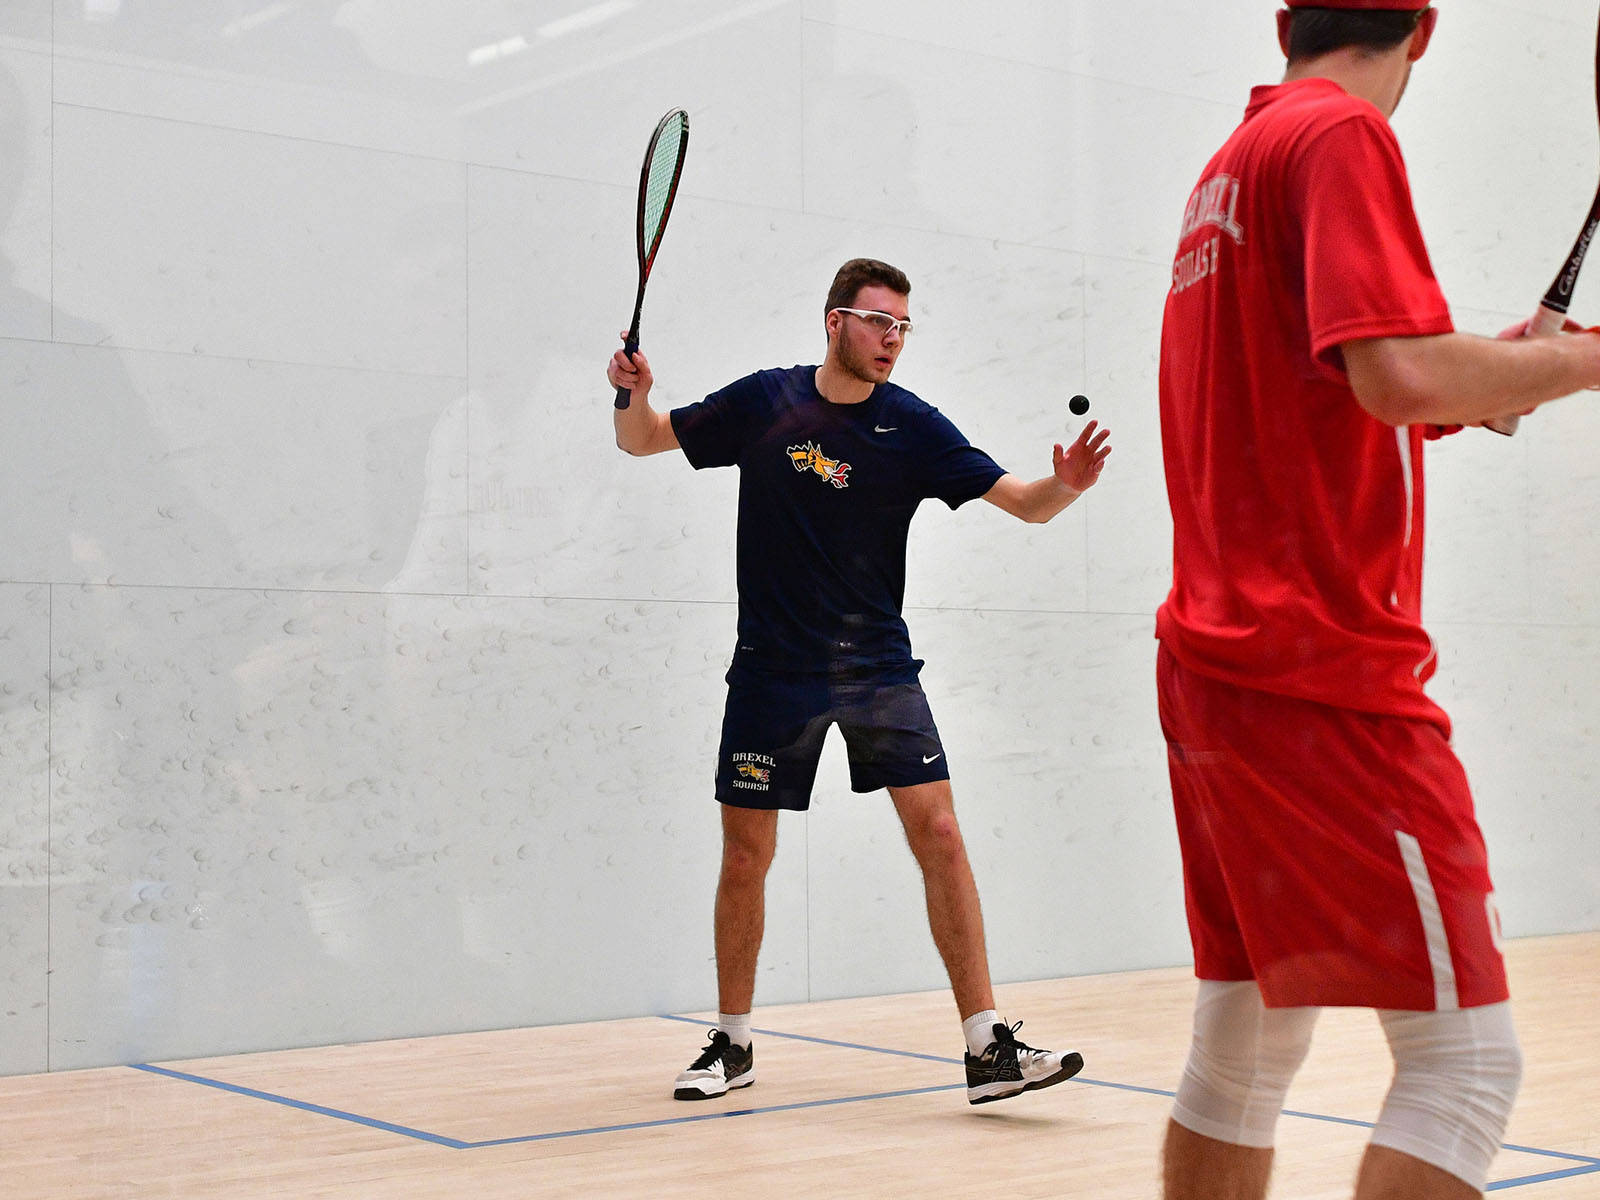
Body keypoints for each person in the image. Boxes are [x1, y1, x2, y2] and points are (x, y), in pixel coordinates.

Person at [1156, 3, 1600, 1198]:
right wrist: (1585, 356)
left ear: (1289, 21)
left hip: (1211, 666)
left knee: (1242, 1046)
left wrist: (1493, 375)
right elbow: (1395, 373)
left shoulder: (1230, 168)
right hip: (1321, 674)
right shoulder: (1342, 139)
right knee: (1463, 1067)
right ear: (1422, 29)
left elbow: (1338, 390)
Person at [607, 257, 1111, 1106]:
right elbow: (642, 439)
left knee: (941, 833)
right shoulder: (765, 403)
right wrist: (633, 393)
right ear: (835, 321)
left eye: (903, 327)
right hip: (773, 670)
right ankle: (731, 1044)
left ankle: (987, 1048)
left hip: (876, 667)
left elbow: (1024, 503)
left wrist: (1064, 483)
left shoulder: (911, 426)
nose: (892, 340)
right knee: (746, 855)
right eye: (878, 323)